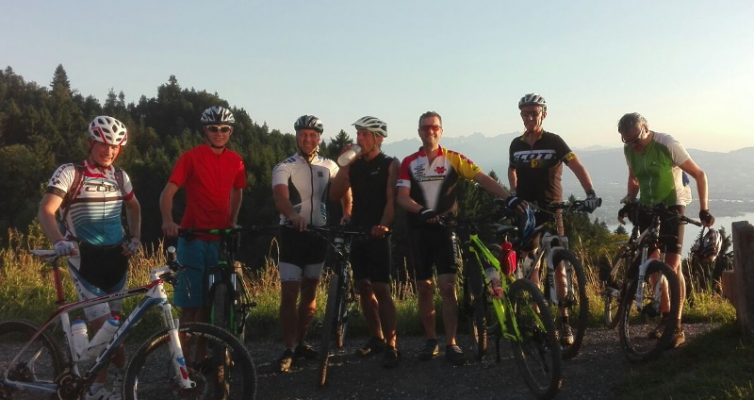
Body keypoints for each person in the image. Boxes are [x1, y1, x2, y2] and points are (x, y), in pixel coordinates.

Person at [397, 111, 517, 366]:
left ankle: (451, 342)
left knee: (447, 287)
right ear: (419, 132)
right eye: (425, 127)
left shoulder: (453, 158)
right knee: (424, 288)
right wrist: (421, 210)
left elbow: (482, 178)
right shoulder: (409, 162)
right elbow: (402, 197)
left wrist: (509, 198)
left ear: (441, 131)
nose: (430, 131)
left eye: (434, 127)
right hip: (418, 231)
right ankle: (431, 340)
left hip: (445, 230)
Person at [38, 115, 141, 400]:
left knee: (115, 337)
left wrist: (135, 238)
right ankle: (96, 389)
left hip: (117, 260)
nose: (109, 151)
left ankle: (82, 343)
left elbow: (134, 207)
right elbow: (46, 210)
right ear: (90, 143)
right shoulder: (70, 172)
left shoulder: (119, 177)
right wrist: (59, 240)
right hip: (84, 261)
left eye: (115, 146)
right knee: (104, 329)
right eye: (103, 144)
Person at [507, 93, 600, 346]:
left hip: (552, 209)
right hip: (527, 212)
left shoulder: (554, 141)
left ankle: (564, 321)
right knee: (531, 264)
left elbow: (576, 165)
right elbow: (512, 168)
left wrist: (590, 193)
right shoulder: (516, 144)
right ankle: (537, 321)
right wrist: (514, 193)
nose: (529, 117)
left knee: (558, 265)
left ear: (544, 114)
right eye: (525, 113)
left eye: (534, 113)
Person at [617, 112, 714, 348]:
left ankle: (677, 325)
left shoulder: (666, 144)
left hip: (673, 204)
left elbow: (699, 175)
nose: (633, 145)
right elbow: (634, 178)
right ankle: (665, 315)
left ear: (646, 129)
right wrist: (630, 200)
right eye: (627, 141)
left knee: (672, 266)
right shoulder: (629, 149)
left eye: (636, 140)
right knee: (651, 264)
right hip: (648, 205)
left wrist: (704, 209)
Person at [272, 115, 351, 373]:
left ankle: (301, 341)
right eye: (303, 134)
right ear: (297, 136)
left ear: (319, 138)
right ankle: (289, 347)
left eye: (313, 135)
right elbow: (281, 197)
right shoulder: (284, 166)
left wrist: (347, 212)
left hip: (318, 235)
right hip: (292, 234)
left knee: (310, 293)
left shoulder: (329, 165)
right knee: (289, 293)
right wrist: (292, 216)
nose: (308, 139)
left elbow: (344, 189)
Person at [159, 106, 246, 326]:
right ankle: (184, 349)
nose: (219, 133)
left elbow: (238, 190)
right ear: (205, 130)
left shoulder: (236, 161)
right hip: (193, 237)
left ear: (231, 131)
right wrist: (168, 221)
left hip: (219, 238)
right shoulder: (191, 157)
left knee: (210, 303)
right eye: (213, 128)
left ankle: (204, 346)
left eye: (224, 129)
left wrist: (233, 220)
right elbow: (167, 193)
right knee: (190, 306)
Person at [330, 116, 401, 368]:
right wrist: (344, 165)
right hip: (358, 230)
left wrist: (384, 225)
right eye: (358, 133)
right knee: (363, 286)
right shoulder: (355, 165)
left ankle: (392, 344)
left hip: (378, 231)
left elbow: (391, 200)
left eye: (365, 134)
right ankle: (376, 337)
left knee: (381, 288)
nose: (359, 138)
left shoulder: (390, 164)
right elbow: (335, 194)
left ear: (378, 138)